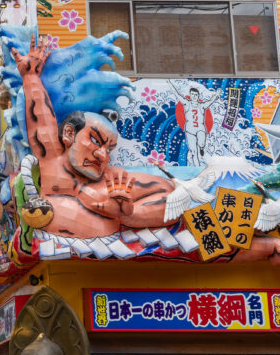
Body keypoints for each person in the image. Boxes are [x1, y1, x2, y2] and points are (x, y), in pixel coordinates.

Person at [12, 39, 175, 238]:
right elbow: (40, 119)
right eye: (96, 141)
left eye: (109, 149)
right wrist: (30, 76)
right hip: (56, 251)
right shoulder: (51, 160)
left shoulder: (115, 181)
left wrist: (130, 213)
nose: (101, 154)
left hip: (109, 254)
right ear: (69, 134)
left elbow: (171, 195)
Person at [169, 82, 219, 167]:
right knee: (193, 151)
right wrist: (169, 83)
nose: (194, 96)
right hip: (189, 130)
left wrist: (217, 94)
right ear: (190, 95)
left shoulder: (202, 105)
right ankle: (197, 167)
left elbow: (211, 101)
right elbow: (176, 94)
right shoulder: (186, 103)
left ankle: (202, 148)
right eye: (192, 94)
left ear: (198, 96)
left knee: (201, 143)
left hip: (200, 128)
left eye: (196, 95)